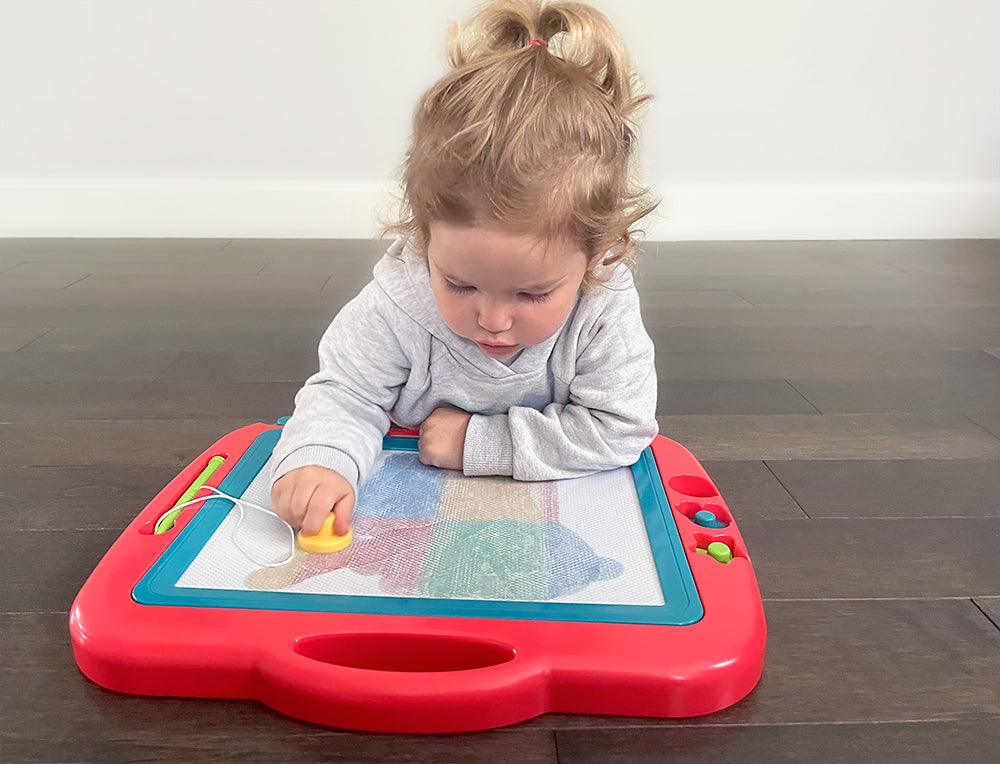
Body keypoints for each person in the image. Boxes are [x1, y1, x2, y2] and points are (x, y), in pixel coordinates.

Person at [271, 0, 659, 537]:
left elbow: (620, 427)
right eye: (459, 284)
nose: (493, 320)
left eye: (532, 294)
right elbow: (346, 392)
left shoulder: (602, 308)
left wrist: (478, 443)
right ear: (424, 238)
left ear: (596, 256)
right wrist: (320, 458)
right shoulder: (398, 302)